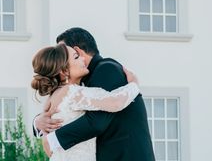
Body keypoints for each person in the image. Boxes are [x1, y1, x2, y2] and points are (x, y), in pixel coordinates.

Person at [34, 27, 155, 161]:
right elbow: (60, 111)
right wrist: (38, 122)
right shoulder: (73, 87)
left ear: (78, 51)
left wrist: (53, 139)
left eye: (63, 53)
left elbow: (97, 121)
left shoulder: (106, 69)